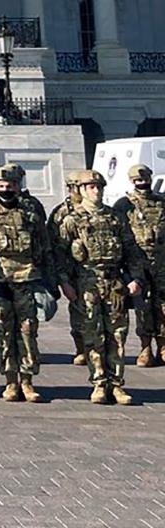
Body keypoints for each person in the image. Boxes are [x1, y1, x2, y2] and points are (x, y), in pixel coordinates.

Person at [57, 171, 145, 404]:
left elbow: (131, 250)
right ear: (82, 190)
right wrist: (65, 283)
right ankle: (98, 383)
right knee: (93, 335)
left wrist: (135, 278)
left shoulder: (115, 218)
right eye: (91, 187)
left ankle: (116, 384)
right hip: (87, 283)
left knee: (117, 335)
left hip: (114, 283)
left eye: (99, 187)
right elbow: (61, 255)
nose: (96, 191)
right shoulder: (72, 220)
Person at [0, 165, 57, 402]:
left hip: (27, 282)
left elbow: (45, 250)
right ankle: (10, 381)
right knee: (3, 332)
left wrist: (51, 283)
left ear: (17, 186)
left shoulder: (31, 214)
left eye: (10, 186)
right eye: (1, 186)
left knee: (27, 332)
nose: (6, 190)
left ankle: (27, 381)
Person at [114, 164, 165, 367]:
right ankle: (145, 348)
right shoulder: (124, 205)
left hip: (162, 264)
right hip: (137, 264)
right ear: (131, 181)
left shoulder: (162, 203)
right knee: (142, 306)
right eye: (137, 180)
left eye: (144, 179)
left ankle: (163, 346)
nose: (142, 183)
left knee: (163, 306)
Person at [48, 169, 89, 364]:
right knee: (79, 312)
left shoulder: (100, 209)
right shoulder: (61, 213)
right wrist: (61, 279)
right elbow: (56, 247)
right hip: (73, 272)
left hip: (97, 271)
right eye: (75, 187)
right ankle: (81, 348)